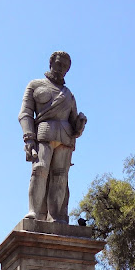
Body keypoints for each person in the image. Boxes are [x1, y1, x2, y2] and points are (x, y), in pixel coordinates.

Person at [19, 51, 87, 223]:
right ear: (51, 63)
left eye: (65, 66)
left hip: (65, 137)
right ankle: (33, 211)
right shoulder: (35, 85)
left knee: (60, 176)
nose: (61, 68)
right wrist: (28, 137)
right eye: (58, 64)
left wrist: (79, 124)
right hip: (43, 132)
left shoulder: (69, 94)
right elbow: (25, 113)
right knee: (39, 169)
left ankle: (56, 216)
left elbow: (73, 123)